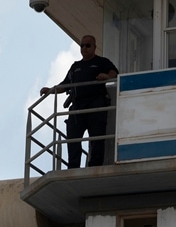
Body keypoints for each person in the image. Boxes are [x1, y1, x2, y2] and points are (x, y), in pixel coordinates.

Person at [41, 35, 118, 168]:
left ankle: (95, 165)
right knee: (73, 137)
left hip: (96, 104)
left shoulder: (102, 62)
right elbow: (65, 84)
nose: (84, 48)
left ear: (94, 47)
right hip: (78, 106)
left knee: (97, 137)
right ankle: (73, 166)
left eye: (88, 45)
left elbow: (114, 73)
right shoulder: (75, 66)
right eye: (82, 45)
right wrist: (50, 90)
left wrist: (106, 76)